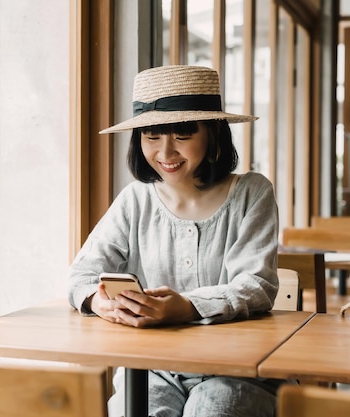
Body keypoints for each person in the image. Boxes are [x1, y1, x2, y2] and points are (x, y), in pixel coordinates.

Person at [67, 65, 283, 417]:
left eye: (182, 135)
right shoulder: (135, 199)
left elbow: (256, 285)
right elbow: (81, 276)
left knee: (213, 409)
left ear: (213, 133)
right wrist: (100, 302)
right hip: (153, 368)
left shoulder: (252, 192)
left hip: (240, 370)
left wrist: (187, 306)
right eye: (151, 136)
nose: (165, 153)